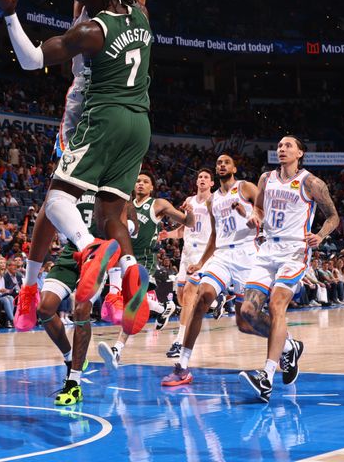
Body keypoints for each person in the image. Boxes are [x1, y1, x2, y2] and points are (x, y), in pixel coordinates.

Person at [10, 0, 165, 338]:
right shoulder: (135, 2)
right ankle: (124, 290)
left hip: (89, 103)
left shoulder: (88, 27)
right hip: (140, 117)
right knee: (110, 211)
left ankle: (31, 291)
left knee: (52, 204)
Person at [239, 136, 340, 402]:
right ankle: (288, 346)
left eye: (288, 146)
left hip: (294, 252)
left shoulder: (312, 183)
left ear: (300, 153)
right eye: (279, 146)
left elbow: (333, 216)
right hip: (267, 250)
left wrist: (320, 236)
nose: (281, 149)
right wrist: (254, 217)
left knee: (276, 305)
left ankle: (267, 376)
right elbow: (259, 208)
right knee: (247, 312)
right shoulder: (265, 178)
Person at [161, 154, 260, 387]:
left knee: (245, 321)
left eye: (226, 162)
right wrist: (202, 262)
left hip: (246, 256)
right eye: (219, 163)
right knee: (200, 297)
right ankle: (183, 366)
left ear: (234, 167)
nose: (222, 165)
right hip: (221, 255)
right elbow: (214, 237)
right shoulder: (212, 201)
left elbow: (263, 212)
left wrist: (250, 215)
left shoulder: (245, 188)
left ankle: (285, 345)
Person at [99, 172, 193, 372]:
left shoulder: (158, 204)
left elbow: (188, 222)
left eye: (146, 182)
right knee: (129, 301)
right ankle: (163, 308)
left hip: (146, 259)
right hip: (125, 256)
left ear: (152, 187)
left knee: (133, 304)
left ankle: (117, 348)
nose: (140, 184)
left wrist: (189, 212)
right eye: (138, 181)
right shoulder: (124, 203)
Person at [165, 168, 215, 358]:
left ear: (212, 183)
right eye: (200, 177)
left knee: (188, 295)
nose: (202, 179)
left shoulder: (214, 201)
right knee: (181, 298)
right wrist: (167, 235)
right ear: (196, 182)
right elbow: (182, 230)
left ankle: (179, 341)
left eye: (206, 178)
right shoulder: (189, 201)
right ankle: (214, 301)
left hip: (203, 253)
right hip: (186, 253)